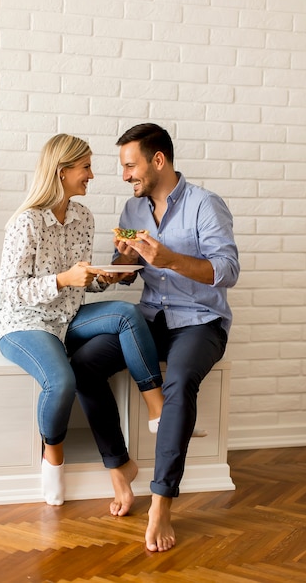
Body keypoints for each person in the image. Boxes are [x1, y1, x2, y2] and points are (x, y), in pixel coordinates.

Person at [71, 123, 240, 552]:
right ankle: (119, 464)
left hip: (200, 322)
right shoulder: (133, 212)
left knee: (180, 382)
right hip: (150, 319)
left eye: (131, 166)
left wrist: (171, 259)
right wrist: (118, 267)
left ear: (158, 160)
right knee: (84, 365)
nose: (125, 175)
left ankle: (162, 501)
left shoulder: (205, 205)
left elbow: (228, 271)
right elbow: (129, 266)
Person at [0, 133, 164, 507]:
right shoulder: (27, 223)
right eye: (85, 167)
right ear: (62, 171)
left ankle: (157, 408)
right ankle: (52, 456)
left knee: (127, 313)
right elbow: (11, 290)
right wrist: (63, 279)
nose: (91, 175)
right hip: (24, 322)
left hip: (66, 318)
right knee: (61, 380)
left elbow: (79, 287)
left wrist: (105, 277)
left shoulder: (83, 217)